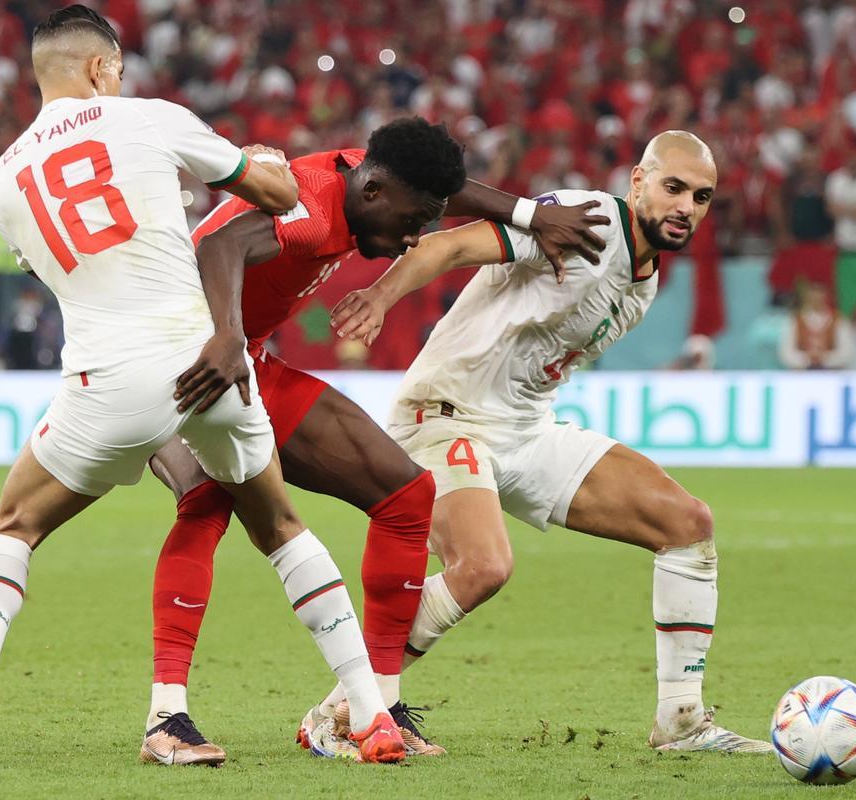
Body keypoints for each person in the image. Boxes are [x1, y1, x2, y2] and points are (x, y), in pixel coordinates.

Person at [0, 5, 406, 767]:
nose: (121, 80)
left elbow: (51, 265)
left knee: (15, 525)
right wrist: (258, 159)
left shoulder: (0, 182)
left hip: (109, 376)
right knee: (280, 526)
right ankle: (374, 715)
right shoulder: (151, 119)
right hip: (208, 361)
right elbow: (282, 198)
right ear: (98, 69)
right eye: (117, 69)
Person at [144, 118, 610, 764]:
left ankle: (374, 709)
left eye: (425, 220)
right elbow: (219, 245)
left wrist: (531, 214)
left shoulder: (371, 174)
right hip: (169, 362)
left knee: (407, 494)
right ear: (373, 192)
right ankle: (166, 718)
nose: (415, 237)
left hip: (241, 359)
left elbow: (450, 191)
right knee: (206, 499)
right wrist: (224, 335)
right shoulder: (308, 206)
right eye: (412, 221)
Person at [324, 130, 773, 755]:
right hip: (446, 413)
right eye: (673, 188)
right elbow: (452, 244)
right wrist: (379, 295)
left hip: (526, 429)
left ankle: (682, 720)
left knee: (687, 523)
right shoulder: (586, 220)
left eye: (701, 197)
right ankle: (346, 709)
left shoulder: (644, 281)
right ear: (638, 182)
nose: (686, 207)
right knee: (482, 567)